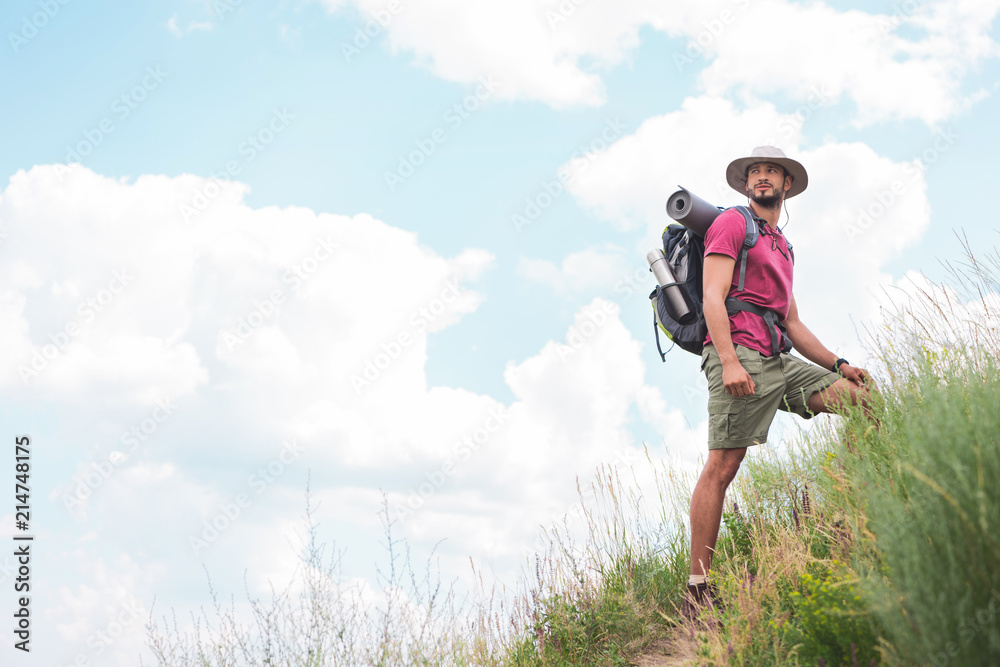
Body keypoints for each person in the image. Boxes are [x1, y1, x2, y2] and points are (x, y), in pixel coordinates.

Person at [684, 146, 876, 614]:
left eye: (772, 171)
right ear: (746, 183)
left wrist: (839, 364)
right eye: (756, 172)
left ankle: (841, 515)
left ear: (787, 185)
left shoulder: (783, 246)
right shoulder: (732, 223)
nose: (763, 177)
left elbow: (792, 323)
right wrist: (728, 361)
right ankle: (697, 591)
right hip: (741, 353)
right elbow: (713, 296)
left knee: (863, 401)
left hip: (778, 356)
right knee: (723, 467)